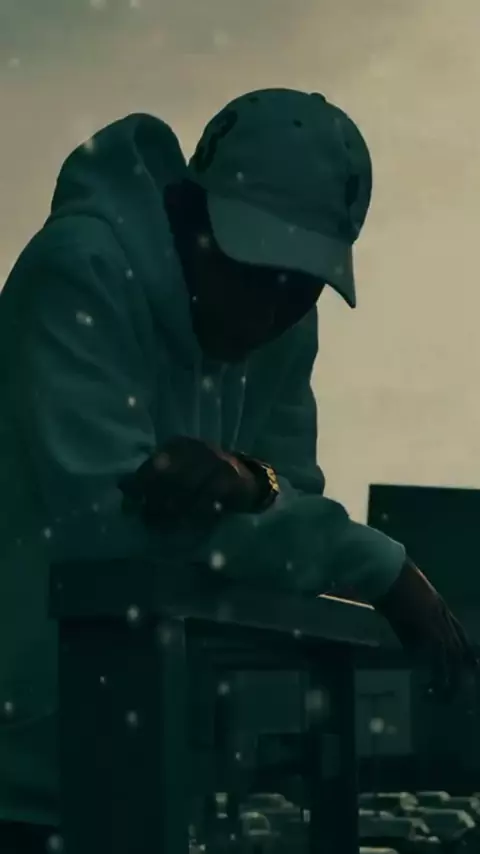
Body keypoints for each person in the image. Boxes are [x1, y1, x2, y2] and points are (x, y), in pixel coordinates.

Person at [0, 87, 475, 851]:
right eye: (253, 268)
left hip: (164, 776)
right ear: (190, 210)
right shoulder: (79, 273)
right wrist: (374, 564)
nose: (266, 314)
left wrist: (252, 484)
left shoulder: (285, 328)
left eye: (300, 287)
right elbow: (110, 541)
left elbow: (289, 506)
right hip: (21, 784)